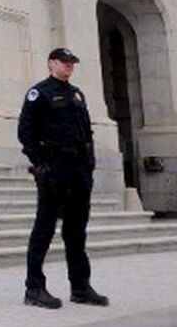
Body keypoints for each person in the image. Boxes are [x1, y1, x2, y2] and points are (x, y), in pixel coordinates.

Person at [18, 47, 109, 309]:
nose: (69, 66)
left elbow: (86, 133)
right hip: (54, 170)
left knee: (76, 232)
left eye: (72, 62)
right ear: (51, 64)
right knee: (44, 230)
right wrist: (41, 164)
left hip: (78, 171)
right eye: (64, 62)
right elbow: (25, 132)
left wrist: (89, 165)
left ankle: (80, 287)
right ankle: (34, 288)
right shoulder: (39, 93)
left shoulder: (77, 94)